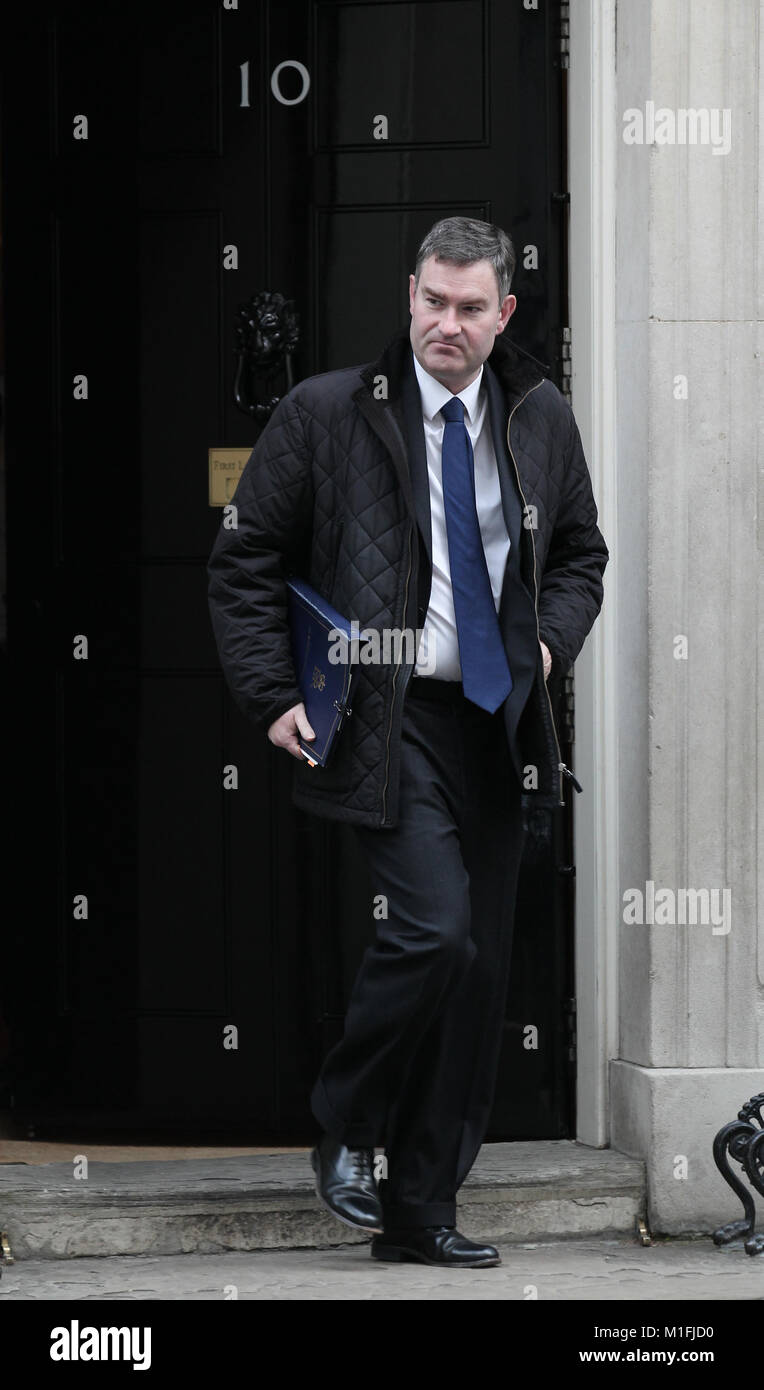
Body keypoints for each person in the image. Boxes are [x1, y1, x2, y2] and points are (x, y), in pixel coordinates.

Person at [207, 216, 608, 1268]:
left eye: (470, 307)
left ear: (502, 313)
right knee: (433, 929)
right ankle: (343, 1118)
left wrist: (551, 651)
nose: (446, 322)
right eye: (432, 300)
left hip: (497, 721)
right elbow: (241, 560)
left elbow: (579, 554)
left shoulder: (538, 416)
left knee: (475, 975)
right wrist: (270, 692)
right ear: (411, 294)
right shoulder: (327, 412)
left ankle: (419, 1214)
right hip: (387, 718)